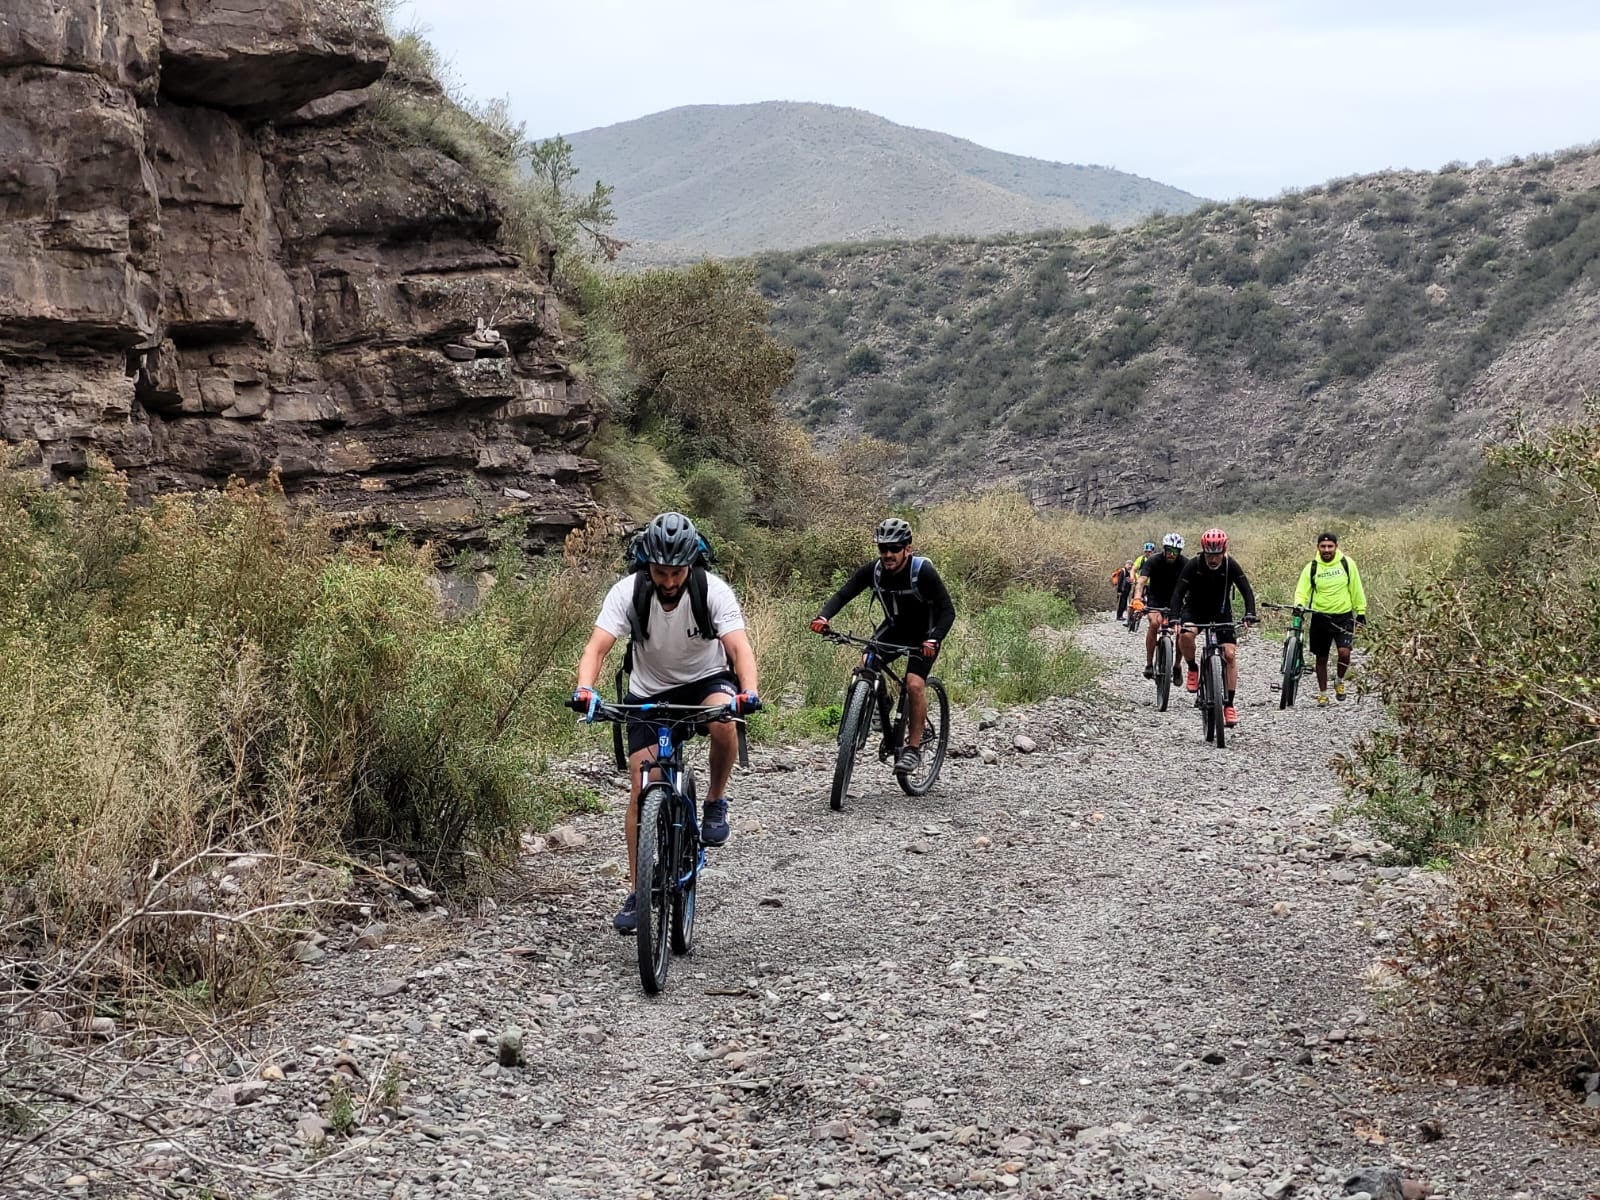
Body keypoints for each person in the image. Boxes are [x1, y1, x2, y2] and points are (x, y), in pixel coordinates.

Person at [572, 512, 761, 934]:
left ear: (690, 564)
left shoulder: (711, 590)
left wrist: (747, 692)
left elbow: (739, 648)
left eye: (677, 572)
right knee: (642, 787)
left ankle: (714, 800)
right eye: (661, 572)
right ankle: (639, 891)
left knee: (724, 720)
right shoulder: (628, 592)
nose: (670, 582)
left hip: (704, 683)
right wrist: (585, 689)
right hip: (649, 692)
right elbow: (596, 647)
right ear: (648, 564)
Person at [809, 517, 956, 776]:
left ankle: (911, 750)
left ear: (907, 549)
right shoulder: (874, 570)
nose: (888, 554)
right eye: (883, 549)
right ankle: (879, 702)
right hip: (895, 629)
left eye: (895, 548)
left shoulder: (922, 572)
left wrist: (935, 639)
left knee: (913, 684)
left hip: (925, 636)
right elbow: (845, 593)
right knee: (866, 662)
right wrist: (824, 617)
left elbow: (947, 611)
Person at [1168, 527, 1258, 728]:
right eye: (1210, 554)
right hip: (1194, 610)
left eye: (1217, 554)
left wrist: (1250, 613)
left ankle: (1229, 705)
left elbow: (1246, 590)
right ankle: (1192, 667)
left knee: (1230, 654)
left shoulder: (1230, 565)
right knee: (1186, 635)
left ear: (1223, 551)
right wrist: (1175, 618)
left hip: (1221, 613)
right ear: (1204, 551)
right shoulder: (1193, 565)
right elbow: (1178, 593)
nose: (1213, 559)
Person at [1293, 531, 1368, 706]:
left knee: (1344, 653)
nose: (1327, 550)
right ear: (1318, 547)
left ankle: (1339, 681)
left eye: (1330, 546)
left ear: (1336, 547)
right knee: (1321, 658)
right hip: (1320, 617)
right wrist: (1299, 605)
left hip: (1344, 616)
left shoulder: (1347, 564)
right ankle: (1322, 693)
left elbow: (1356, 588)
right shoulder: (1311, 567)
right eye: (1323, 546)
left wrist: (1361, 612)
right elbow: (1302, 590)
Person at [1130, 532, 1187, 682]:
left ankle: (1177, 666)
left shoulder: (1185, 563)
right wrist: (1137, 598)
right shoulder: (1153, 560)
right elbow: (1141, 581)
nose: (1172, 555)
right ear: (1164, 549)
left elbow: (1192, 586)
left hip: (1176, 601)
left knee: (1181, 632)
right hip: (1156, 599)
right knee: (1154, 623)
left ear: (1179, 552)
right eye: (1169, 551)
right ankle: (1149, 663)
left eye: (1175, 552)